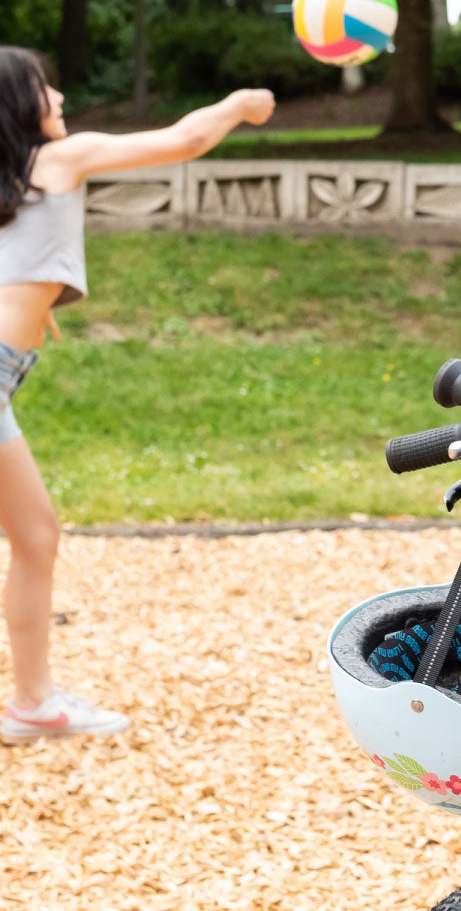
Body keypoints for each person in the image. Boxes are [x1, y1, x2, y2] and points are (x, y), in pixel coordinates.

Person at [0, 47, 274, 743]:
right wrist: (239, 104)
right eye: (43, 87)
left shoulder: (15, 186)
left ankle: (32, 705)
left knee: (35, 536)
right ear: (17, 108)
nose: (59, 94)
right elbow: (183, 141)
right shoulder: (56, 160)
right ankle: (31, 702)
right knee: (35, 537)